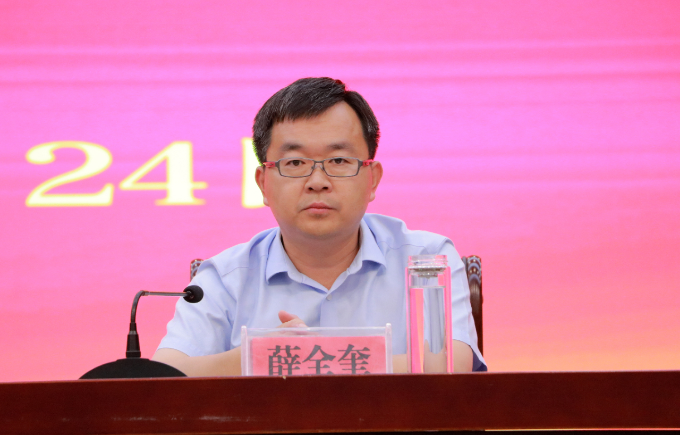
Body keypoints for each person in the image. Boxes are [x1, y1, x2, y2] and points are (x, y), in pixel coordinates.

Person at [153, 77, 486, 375]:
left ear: (372, 179)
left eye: (338, 161)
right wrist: (256, 356)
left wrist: (300, 358)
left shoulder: (427, 259)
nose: (317, 181)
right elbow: (164, 377)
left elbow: (451, 366)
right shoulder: (225, 278)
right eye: (295, 162)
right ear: (263, 183)